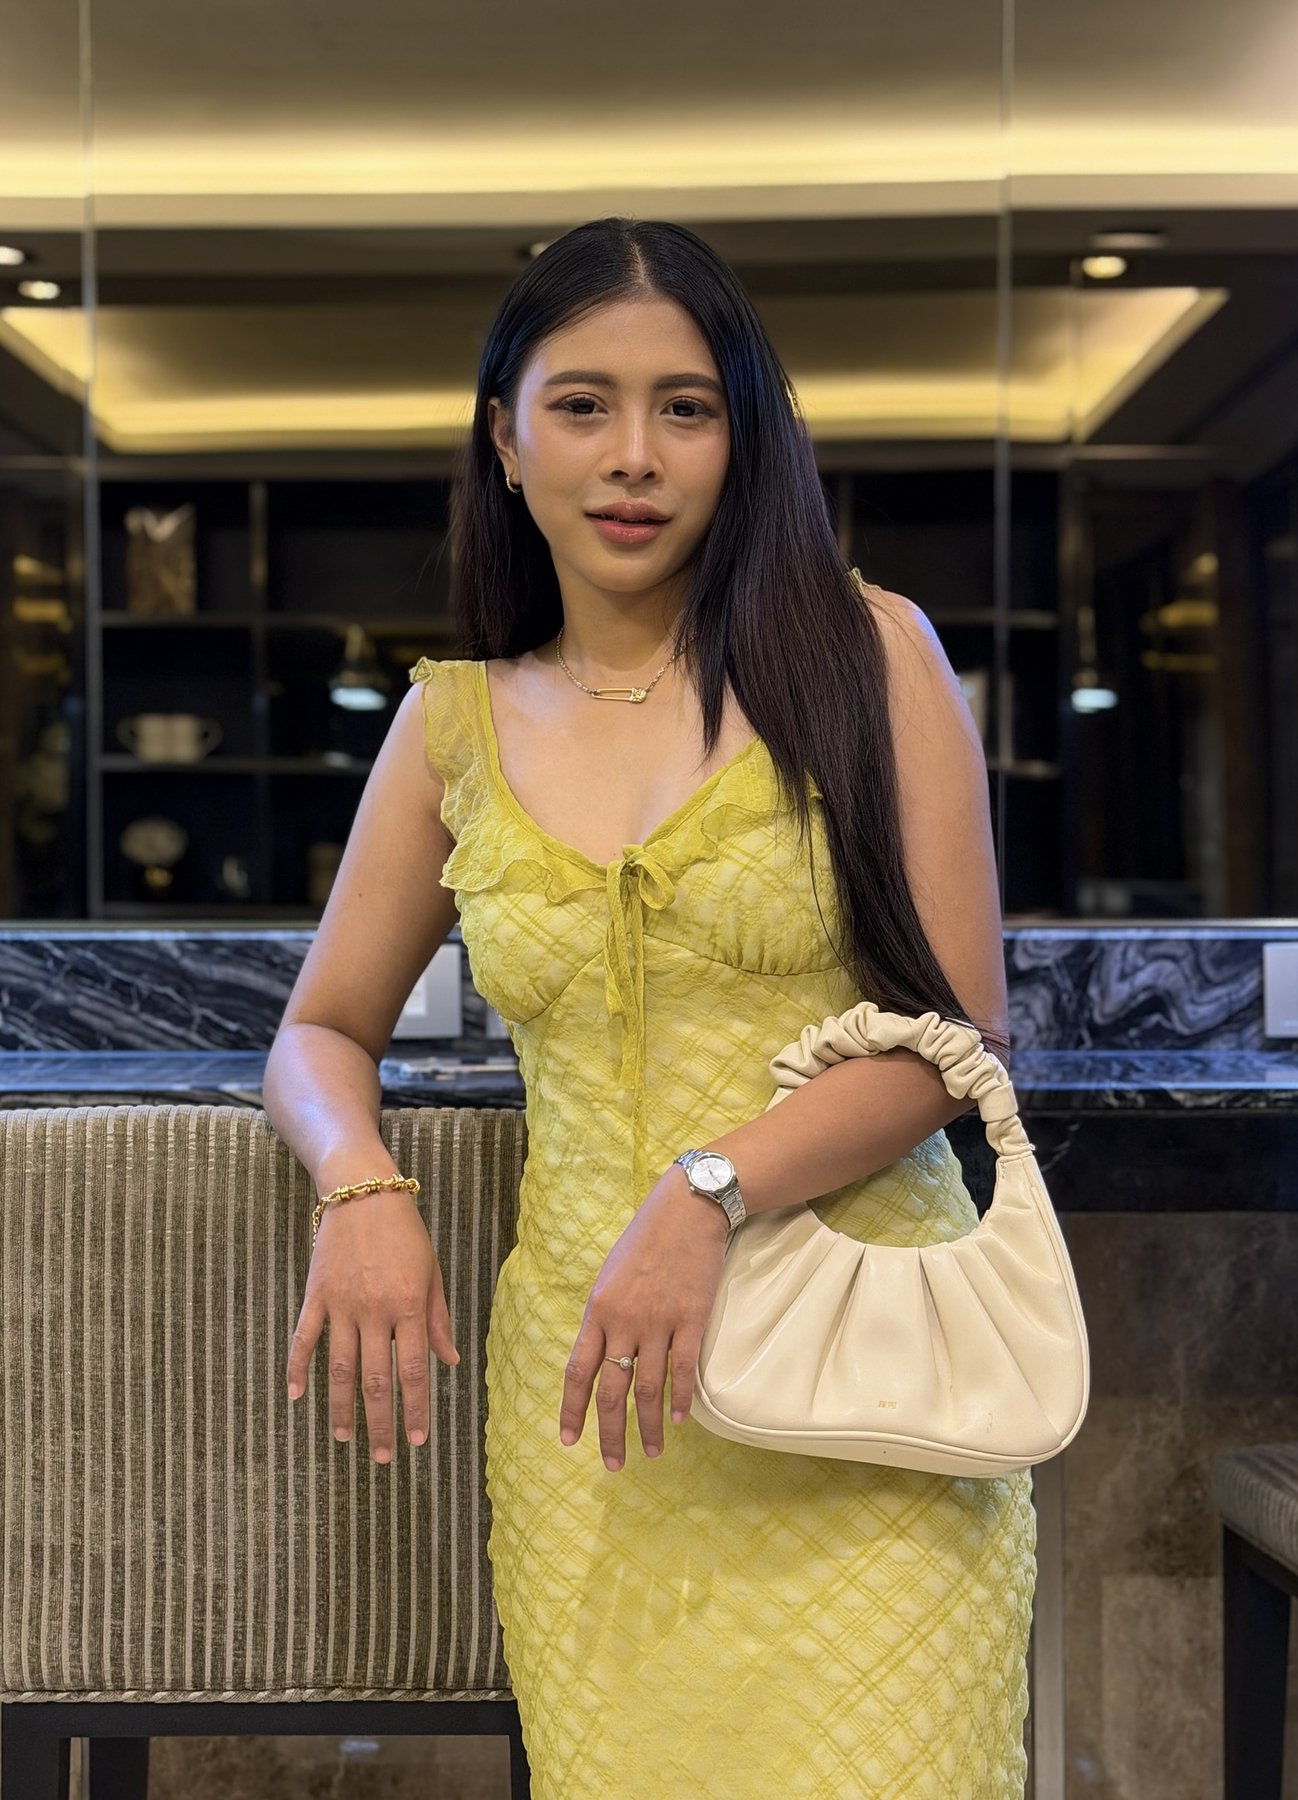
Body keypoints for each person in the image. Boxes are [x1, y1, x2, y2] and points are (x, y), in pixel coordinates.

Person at [265, 215, 1036, 1798]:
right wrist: (359, 1185)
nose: (633, 455)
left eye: (685, 407)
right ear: (505, 439)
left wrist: (707, 1187)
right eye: (582, 405)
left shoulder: (869, 655)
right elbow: (320, 1030)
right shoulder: (454, 724)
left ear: (741, 437)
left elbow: (957, 1033)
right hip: (598, 1421)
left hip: (864, 1377)